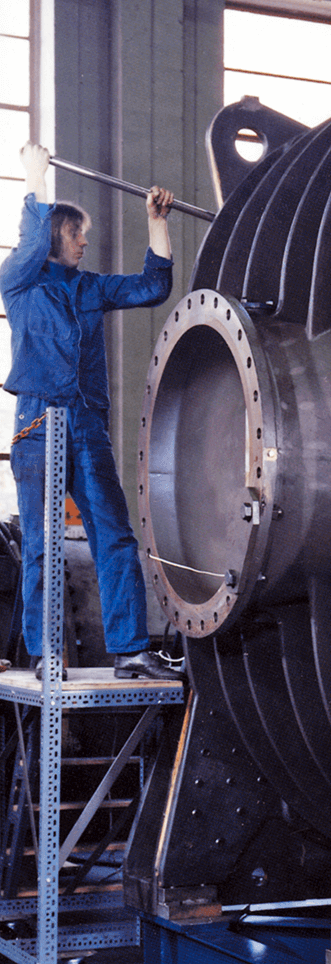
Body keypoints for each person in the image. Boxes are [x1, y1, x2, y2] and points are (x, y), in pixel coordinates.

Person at [2, 143, 183, 680]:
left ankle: (130, 651)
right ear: (56, 235)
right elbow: (31, 240)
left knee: (116, 535)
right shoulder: (20, 281)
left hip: (86, 425)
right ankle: (46, 655)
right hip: (38, 425)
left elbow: (153, 287)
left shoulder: (89, 288)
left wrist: (157, 223)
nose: (85, 241)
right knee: (39, 544)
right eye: (76, 233)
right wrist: (35, 176)